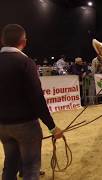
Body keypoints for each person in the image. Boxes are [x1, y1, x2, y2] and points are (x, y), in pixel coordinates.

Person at [0, 24, 63, 180]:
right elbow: (37, 98)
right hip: (26, 125)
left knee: (10, 165)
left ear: (2, 40)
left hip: (2, 125)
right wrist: (52, 127)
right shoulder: (26, 63)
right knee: (31, 168)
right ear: (24, 41)